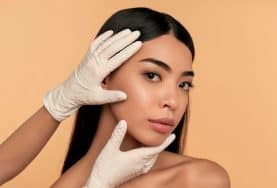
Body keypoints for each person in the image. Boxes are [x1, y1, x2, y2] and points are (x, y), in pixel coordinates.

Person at [0, 7, 230, 188]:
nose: (173, 101)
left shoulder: (199, 180)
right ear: (104, 76)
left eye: (184, 84)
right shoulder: (71, 183)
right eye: (152, 75)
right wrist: (60, 102)